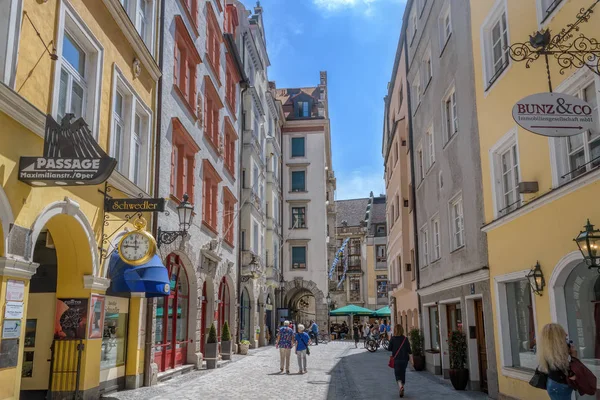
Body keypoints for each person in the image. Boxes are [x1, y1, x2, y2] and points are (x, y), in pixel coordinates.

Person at [538, 323, 576, 400]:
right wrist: (574, 356)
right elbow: (570, 373)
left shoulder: (548, 350)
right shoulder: (556, 354)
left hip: (554, 383)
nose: (566, 334)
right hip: (559, 386)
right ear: (556, 337)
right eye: (562, 332)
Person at [388, 324, 412, 398]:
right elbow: (409, 350)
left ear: (395, 330)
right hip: (404, 360)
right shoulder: (405, 339)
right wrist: (412, 360)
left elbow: (389, 348)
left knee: (397, 375)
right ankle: (402, 388)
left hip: (396, 359)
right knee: (403, 373)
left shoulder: (393, 339)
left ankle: (400, 386)